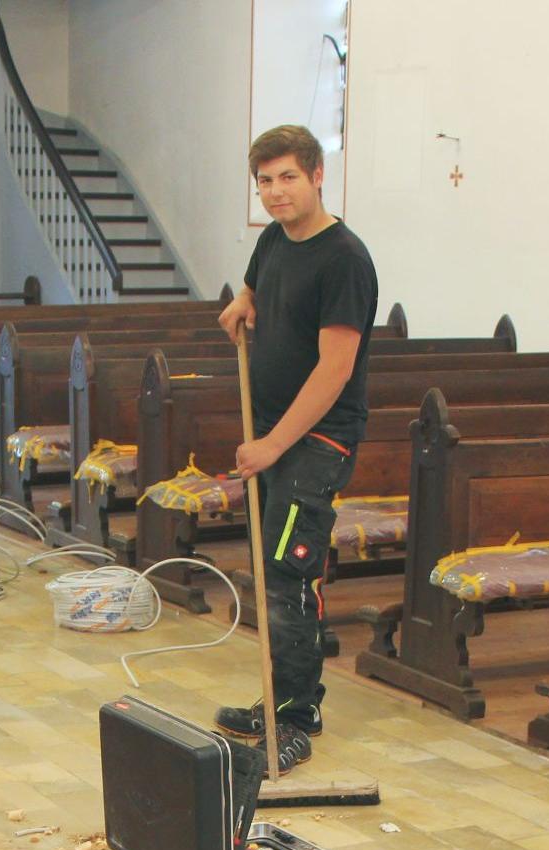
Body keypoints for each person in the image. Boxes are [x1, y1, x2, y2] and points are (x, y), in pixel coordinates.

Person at [212, 125, 379, 774]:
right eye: (263, 180)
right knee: (271, 567)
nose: (275, 192)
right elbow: (257, 287)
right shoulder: (274, 239)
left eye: (286, 177)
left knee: (290, 570)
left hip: (317, 439)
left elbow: (336, 370)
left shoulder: (345, 259)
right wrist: (242, 304)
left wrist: (273, 444)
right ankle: (280, 696)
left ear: (316, 176)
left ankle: (297, 716)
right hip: (277, 432)